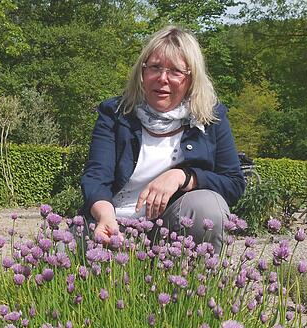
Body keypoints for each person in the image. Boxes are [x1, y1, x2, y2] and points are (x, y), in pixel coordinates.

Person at [80, 26, 246, 252]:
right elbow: (96, 177)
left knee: (207, 205)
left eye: (175, 71)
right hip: (112, 221)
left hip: (169, 230)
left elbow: (233, 183)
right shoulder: (115, 113)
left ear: (191, 78)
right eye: (155, 68)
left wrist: (185, 177)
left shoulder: (211, 118)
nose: (162, 79)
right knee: (58, 255)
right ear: (143, 71)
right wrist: (105, 215)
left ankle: (195, 282)